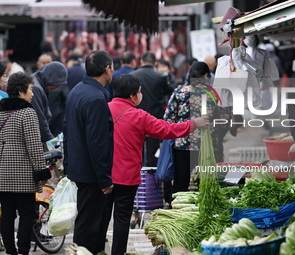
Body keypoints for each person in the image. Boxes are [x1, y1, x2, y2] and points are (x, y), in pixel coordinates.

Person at [106, 74, 209, 255]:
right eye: (139, 92)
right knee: (122, 219)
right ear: (132, 96)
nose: (140, 95)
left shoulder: (103, 109)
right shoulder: (139, 116)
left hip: (103, 175)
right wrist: (194, 123)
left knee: (101, 218)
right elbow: (167, 130)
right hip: (126, 177)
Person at [63, 50, 114, 254]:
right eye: (112, 68)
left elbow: (66, 130)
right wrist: (104, 178)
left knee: (86, 221)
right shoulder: (96, 99)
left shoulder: (76, 91)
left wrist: (68, 166)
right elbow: (98, 142)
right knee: (90, 226)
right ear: (107, 69)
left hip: (79, 168)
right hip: (91, 173)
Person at [0, 72, 49, 255]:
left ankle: (11, 252)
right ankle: (22, 251)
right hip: (23, 175)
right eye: (30, 89)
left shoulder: (0, 110)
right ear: (21, 91)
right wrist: (41, 172)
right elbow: (35, 146)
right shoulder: (27, 112)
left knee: (7, 214)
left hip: (2, 173)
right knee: (27, 214)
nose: (33, 94)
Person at [164, 62, 230, 197]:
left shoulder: (179, 92)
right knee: (205, 183)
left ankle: (177, 210)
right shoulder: (213, 94)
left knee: (181, 182)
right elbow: (224, 120)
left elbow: (168, 119)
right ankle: (202, 211)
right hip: (208, 145)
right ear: (206, 75)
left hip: (183, 145)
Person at [131, 51, 173, 167]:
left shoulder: (133, 75)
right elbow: (169, 92)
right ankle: (151, 179)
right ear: (155, 63)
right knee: (152, 153)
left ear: (141, 61)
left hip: (135, 117)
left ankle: (139, 179)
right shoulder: (160, 77)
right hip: (154, 118)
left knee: (136, 151)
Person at [31, 61, 68, 142]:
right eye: (57, 83)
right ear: (51, 77)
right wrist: (50, 140)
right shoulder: (36, 88)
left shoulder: (37, 83)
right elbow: (39, 119)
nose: (57, 87)